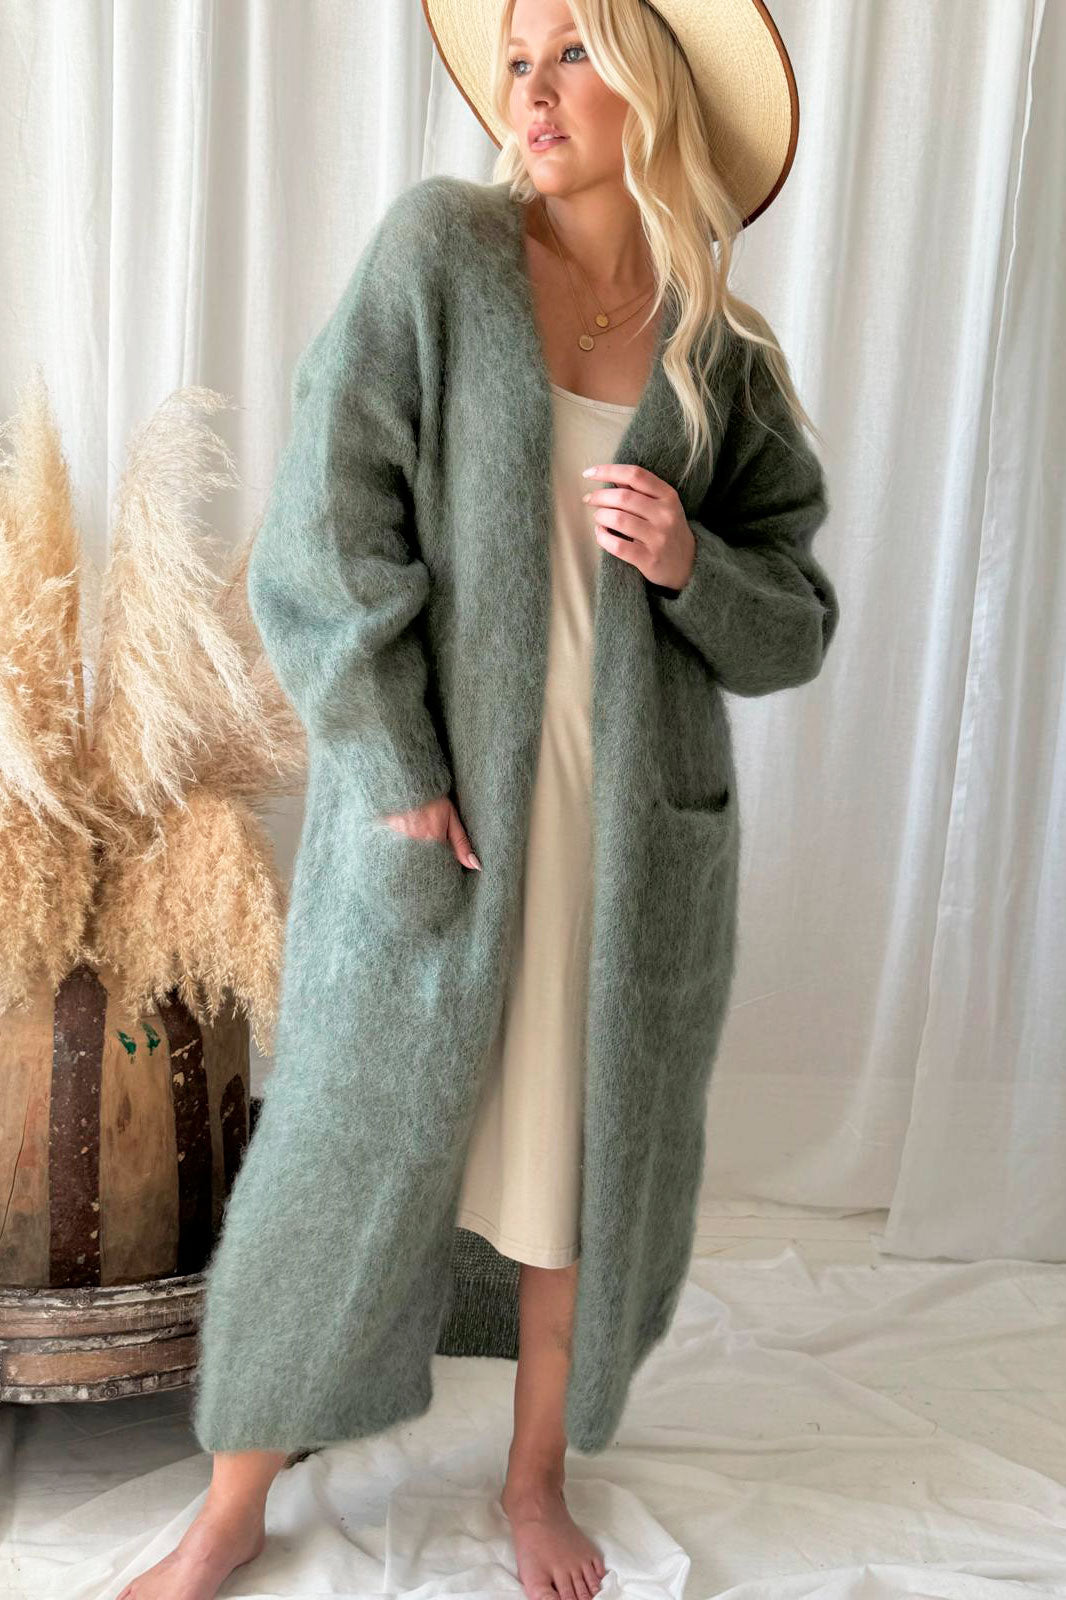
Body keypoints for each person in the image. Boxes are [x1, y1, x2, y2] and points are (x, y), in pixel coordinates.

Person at [118, 1, 837, 1597]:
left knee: (573, 1163)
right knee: (341, 1152)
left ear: (650, 86)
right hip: (436, 817)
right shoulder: (439, 254)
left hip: (627, 841)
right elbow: (327, 525)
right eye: (517, 61)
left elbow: (789, 619)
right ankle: (234, 1504)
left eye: (572, 53)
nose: (532, 91)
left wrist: (691, 563)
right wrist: (390, 766)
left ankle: (532, 1482)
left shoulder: (718, 352)